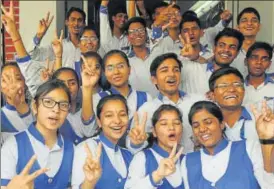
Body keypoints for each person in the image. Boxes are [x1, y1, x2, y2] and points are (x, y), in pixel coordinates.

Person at [181, 100, 274, 189]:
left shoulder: (248, 148)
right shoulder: (188, 161)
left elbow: (269, 184)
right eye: (196, 126)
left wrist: (267, 140)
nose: (202, 129)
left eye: (208, 122)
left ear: (221, 124)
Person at [1, 80, 74, 188]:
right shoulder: (13, 145)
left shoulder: (71, 148)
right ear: (35, 107)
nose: (56, 109)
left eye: (63, 105)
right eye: (48, 102)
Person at [129, 53, 205, 154]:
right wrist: (136, 142)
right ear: (154, 79)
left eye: (176, 70)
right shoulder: (147, 110)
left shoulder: (198, 101)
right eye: (164, 70)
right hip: (165, 166)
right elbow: (133, 146)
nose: (171, 74)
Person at [71, 94, 133, 189]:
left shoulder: (128, 155)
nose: (117, 121)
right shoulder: (88, 148)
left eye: (122, 114)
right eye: (109, 115)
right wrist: (89, 182)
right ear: (99, 122)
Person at [125, 104, 184, 189]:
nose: (171, 127)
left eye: (176, 123)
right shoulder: (143, 158)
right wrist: (156, 176)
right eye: (164, 124)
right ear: (154, 132)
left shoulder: (186, 160)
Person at [180, 28, 244, 95]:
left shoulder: (236, 81)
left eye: (232, 47)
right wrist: (184, 57)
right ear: (214, 48)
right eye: (221, 45)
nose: (226, 50)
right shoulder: (192, 68)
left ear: (237, 53)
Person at [208, 67, 258, 141]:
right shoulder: (208, 124)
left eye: (237, 84)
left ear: (244, 91)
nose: (231, 89)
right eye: (223, 86)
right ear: (213, 95)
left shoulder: (259, 118)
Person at [123, 17, 163, 96]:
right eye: (132, 32)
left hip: (161, 103)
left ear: (146, 33)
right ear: (128, 37)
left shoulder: (157, 54)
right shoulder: (125, 61)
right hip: (137, 105)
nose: (137, 34)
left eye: (140, 30)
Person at [231, 7, 274, 77]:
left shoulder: (269, 53)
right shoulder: (229, 52)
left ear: (259, 26)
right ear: (237, 27)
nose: (249, 23)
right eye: (244, 20)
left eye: (254, 20)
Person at [1, 63, 33, 144]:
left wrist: (21, 106)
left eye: (17, 78)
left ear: (24, 83)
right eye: (6, 80)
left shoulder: (38, 110)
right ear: (1, 87)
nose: (12, 84)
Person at [243, 42, 274, 107]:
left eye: (264, 59)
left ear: (269, 64)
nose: (259, 62)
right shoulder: (237, 88)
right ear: (246, 61)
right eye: (254, 57)